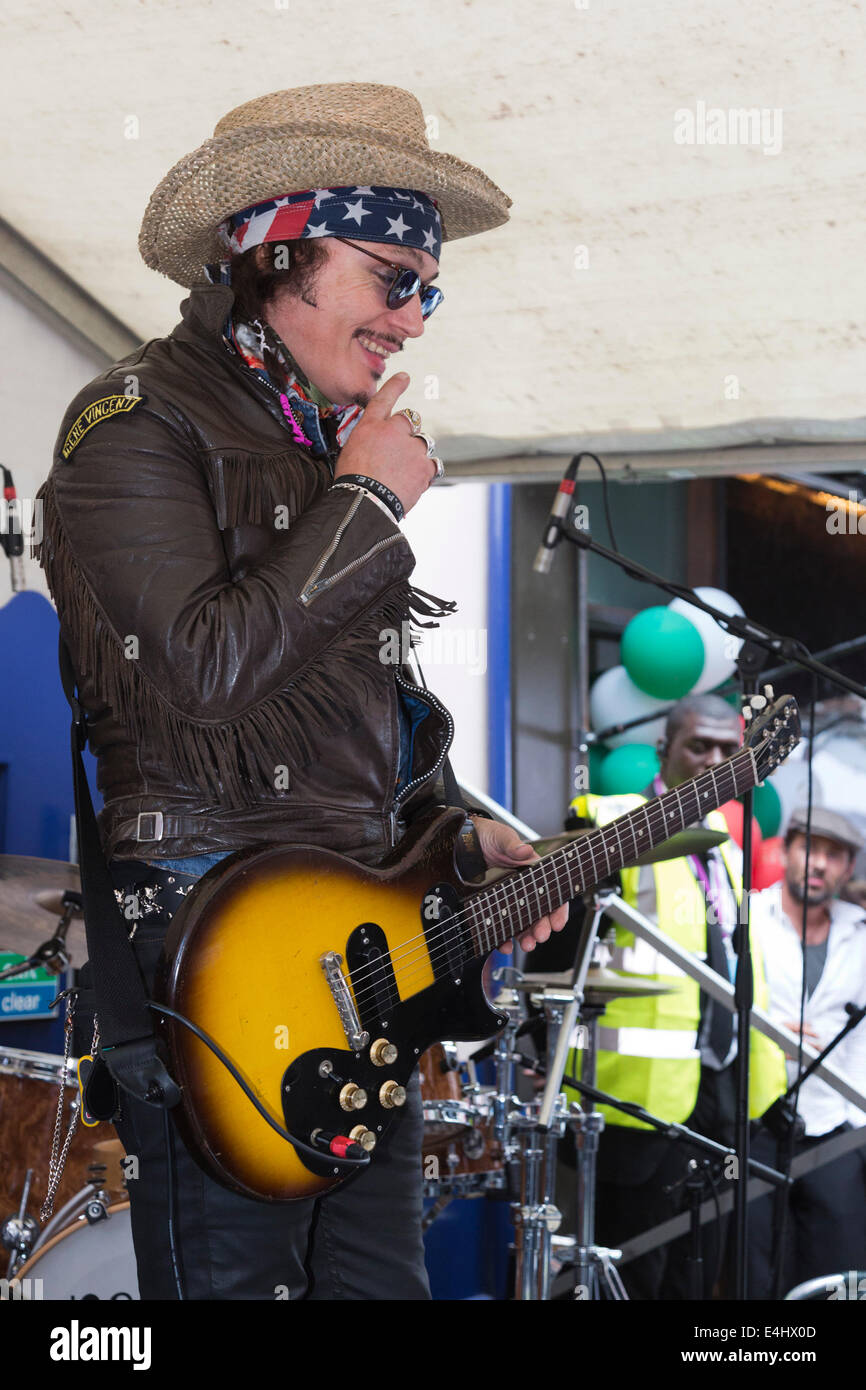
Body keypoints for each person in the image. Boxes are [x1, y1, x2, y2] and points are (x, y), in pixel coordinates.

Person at [34, 82, 567, 1300]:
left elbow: (356, 723)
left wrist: (457, 826)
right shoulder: (131, 423)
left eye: (429, 289)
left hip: (355, 972)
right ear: (275, 250)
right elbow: (201, 672)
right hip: (213, 957)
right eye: (392, 277)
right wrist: (368, 505)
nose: (413, 320)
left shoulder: (317, 447)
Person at [562, 692, 787, 1298]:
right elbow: (555, 963)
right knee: (633, 1275)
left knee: (697, 1279)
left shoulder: (727, 846)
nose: (715, 760)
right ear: (664, 750)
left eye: (728, 748)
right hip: (638, 1104)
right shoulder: (610, 822)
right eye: (699, 745)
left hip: (722, 1099)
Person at [748, 807, 866, 1298]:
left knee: (838, 1272)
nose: (819, 863)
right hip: (756, 1121)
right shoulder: (748, 915)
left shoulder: (861, 932)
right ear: (787, 851)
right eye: (810, 848)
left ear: (849, 868)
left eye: (833, 855)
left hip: (836, 1124)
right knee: (755, 1268)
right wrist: (770, 1028)